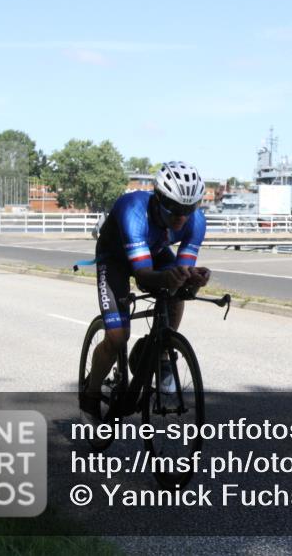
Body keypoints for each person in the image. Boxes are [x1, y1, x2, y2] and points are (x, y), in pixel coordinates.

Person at [82, 161, 210, 418]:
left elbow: (180, 275)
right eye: (174, 208)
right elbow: (143, 277)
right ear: (159, 198)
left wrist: (192, 279)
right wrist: (168, 278)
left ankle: (160, 350)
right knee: (117, 337)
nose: (181, 216)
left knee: (176, 289)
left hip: (154, 251)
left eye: (188, 208)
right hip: (114, 258)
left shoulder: (196, 222)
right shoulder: (133, 209)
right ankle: (91, 394)